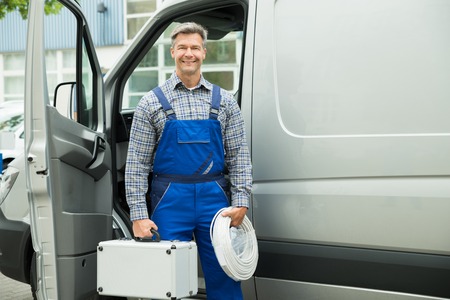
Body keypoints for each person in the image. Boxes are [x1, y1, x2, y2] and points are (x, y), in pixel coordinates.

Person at [125, 22, 252, 300]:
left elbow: (239, 155)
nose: (188, 53)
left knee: (225, 276)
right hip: (170, 200)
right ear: (172, 52)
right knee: (166, 282)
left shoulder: (226, 102)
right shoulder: (151, 103)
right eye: (182, 47)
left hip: (215, 201)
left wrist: (241, 200)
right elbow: (137, 164)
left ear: (204, 52)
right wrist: (138, 215)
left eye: (195, 47)